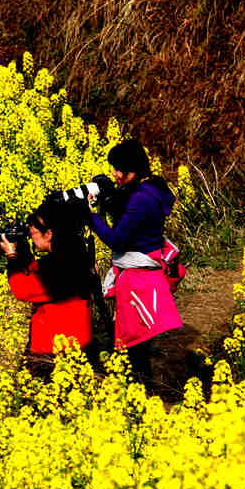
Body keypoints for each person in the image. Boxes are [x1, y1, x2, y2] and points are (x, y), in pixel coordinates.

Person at [88, 138, 183, 390]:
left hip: (137, 277)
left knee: (133, 342)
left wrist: (92, 217)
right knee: (139, 341)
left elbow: (117, 240)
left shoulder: (140, 199)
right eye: (113, 168)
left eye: (120, 169)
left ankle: (141, 392)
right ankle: (142, 389)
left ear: (135, 170)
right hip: (146, 272)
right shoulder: (150, 190)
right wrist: (110, 197)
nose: (115, 174)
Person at [0, 195, 96, 381]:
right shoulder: (76, 256)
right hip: (80, 348)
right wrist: (22, 251)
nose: (31, 237)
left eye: (33, 233)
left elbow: (22, 289)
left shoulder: (56, 268)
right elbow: (37, 270)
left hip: (52, 354)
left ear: (49, 233)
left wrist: (11, 257)